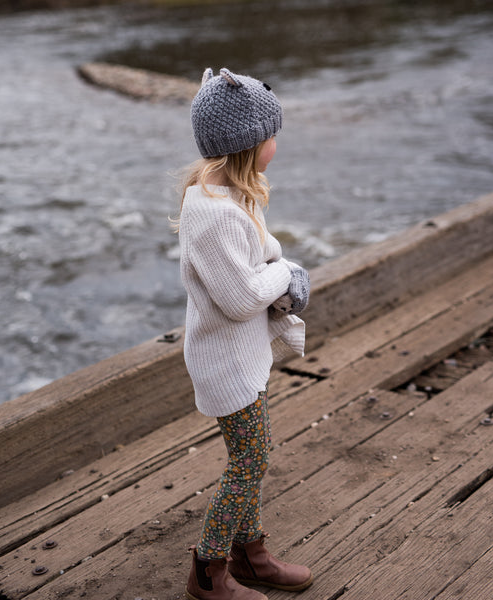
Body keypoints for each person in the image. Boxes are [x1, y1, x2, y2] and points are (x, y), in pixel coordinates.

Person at [177, 67, 313, 600]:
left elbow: (258, 246)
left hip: (242, 354)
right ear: (248, 144)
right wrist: (287, 275)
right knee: (250, 461)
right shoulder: (214, 216)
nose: (277, 143)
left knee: (249, 458)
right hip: (224, 360)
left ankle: (250, 553)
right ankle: (209, 571)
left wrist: (277, 258)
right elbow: (239, 300)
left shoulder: (230, 194)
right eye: (272, 135)